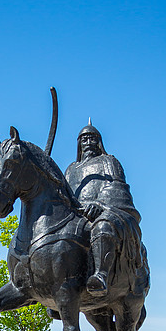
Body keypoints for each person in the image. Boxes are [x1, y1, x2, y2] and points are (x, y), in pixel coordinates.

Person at [64, 120, 143, 297]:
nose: (88, 143)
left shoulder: (109, 162)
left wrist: (98, 205)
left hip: (103, 212)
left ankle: (101, 276)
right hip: (76, 215)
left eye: (92, 138)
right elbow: (65, 193)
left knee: (102, 227)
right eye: (84, 139)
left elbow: (118, 188)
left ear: (99, 141)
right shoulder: (70, 169)